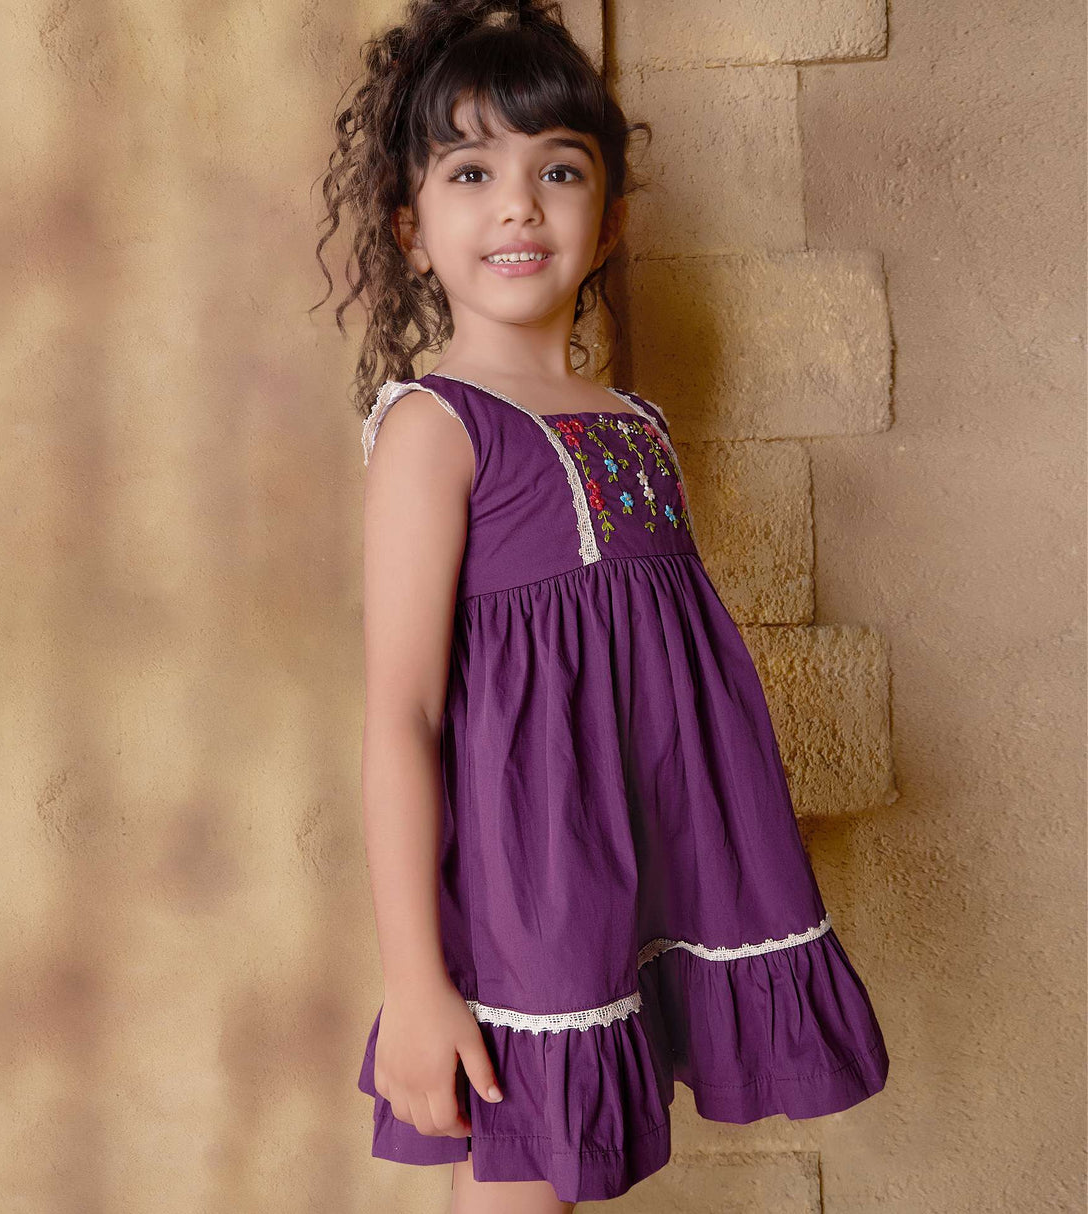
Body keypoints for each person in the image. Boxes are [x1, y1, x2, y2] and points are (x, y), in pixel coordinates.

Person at [310, 1, 889, 1207]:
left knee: (571, 1175)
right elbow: (403, 716)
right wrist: (415, 981)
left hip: (653, 857)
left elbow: (652, 671)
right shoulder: (434, 429)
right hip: (533, 882)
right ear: (412, 231)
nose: (517, 204)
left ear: (608, 219)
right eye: (471, 172)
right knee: (525, 1173)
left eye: (556, 169)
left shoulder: (635, 424)